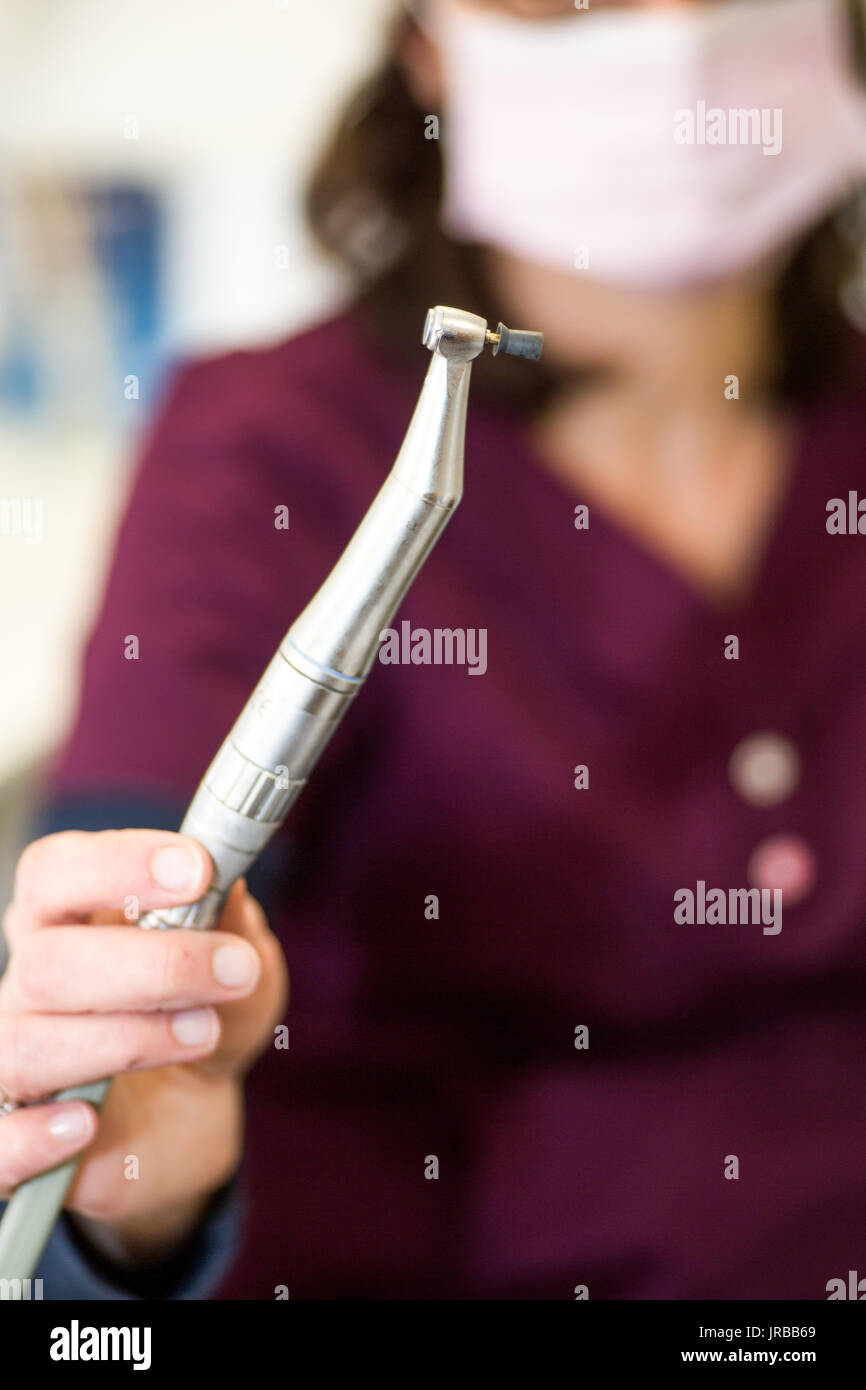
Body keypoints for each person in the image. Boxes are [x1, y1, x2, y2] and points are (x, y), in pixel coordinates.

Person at [3, 0, 866, 1299]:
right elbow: (129, 947)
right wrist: (132, 1183)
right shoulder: (270, 449)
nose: (677, 26)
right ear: (427, 46)